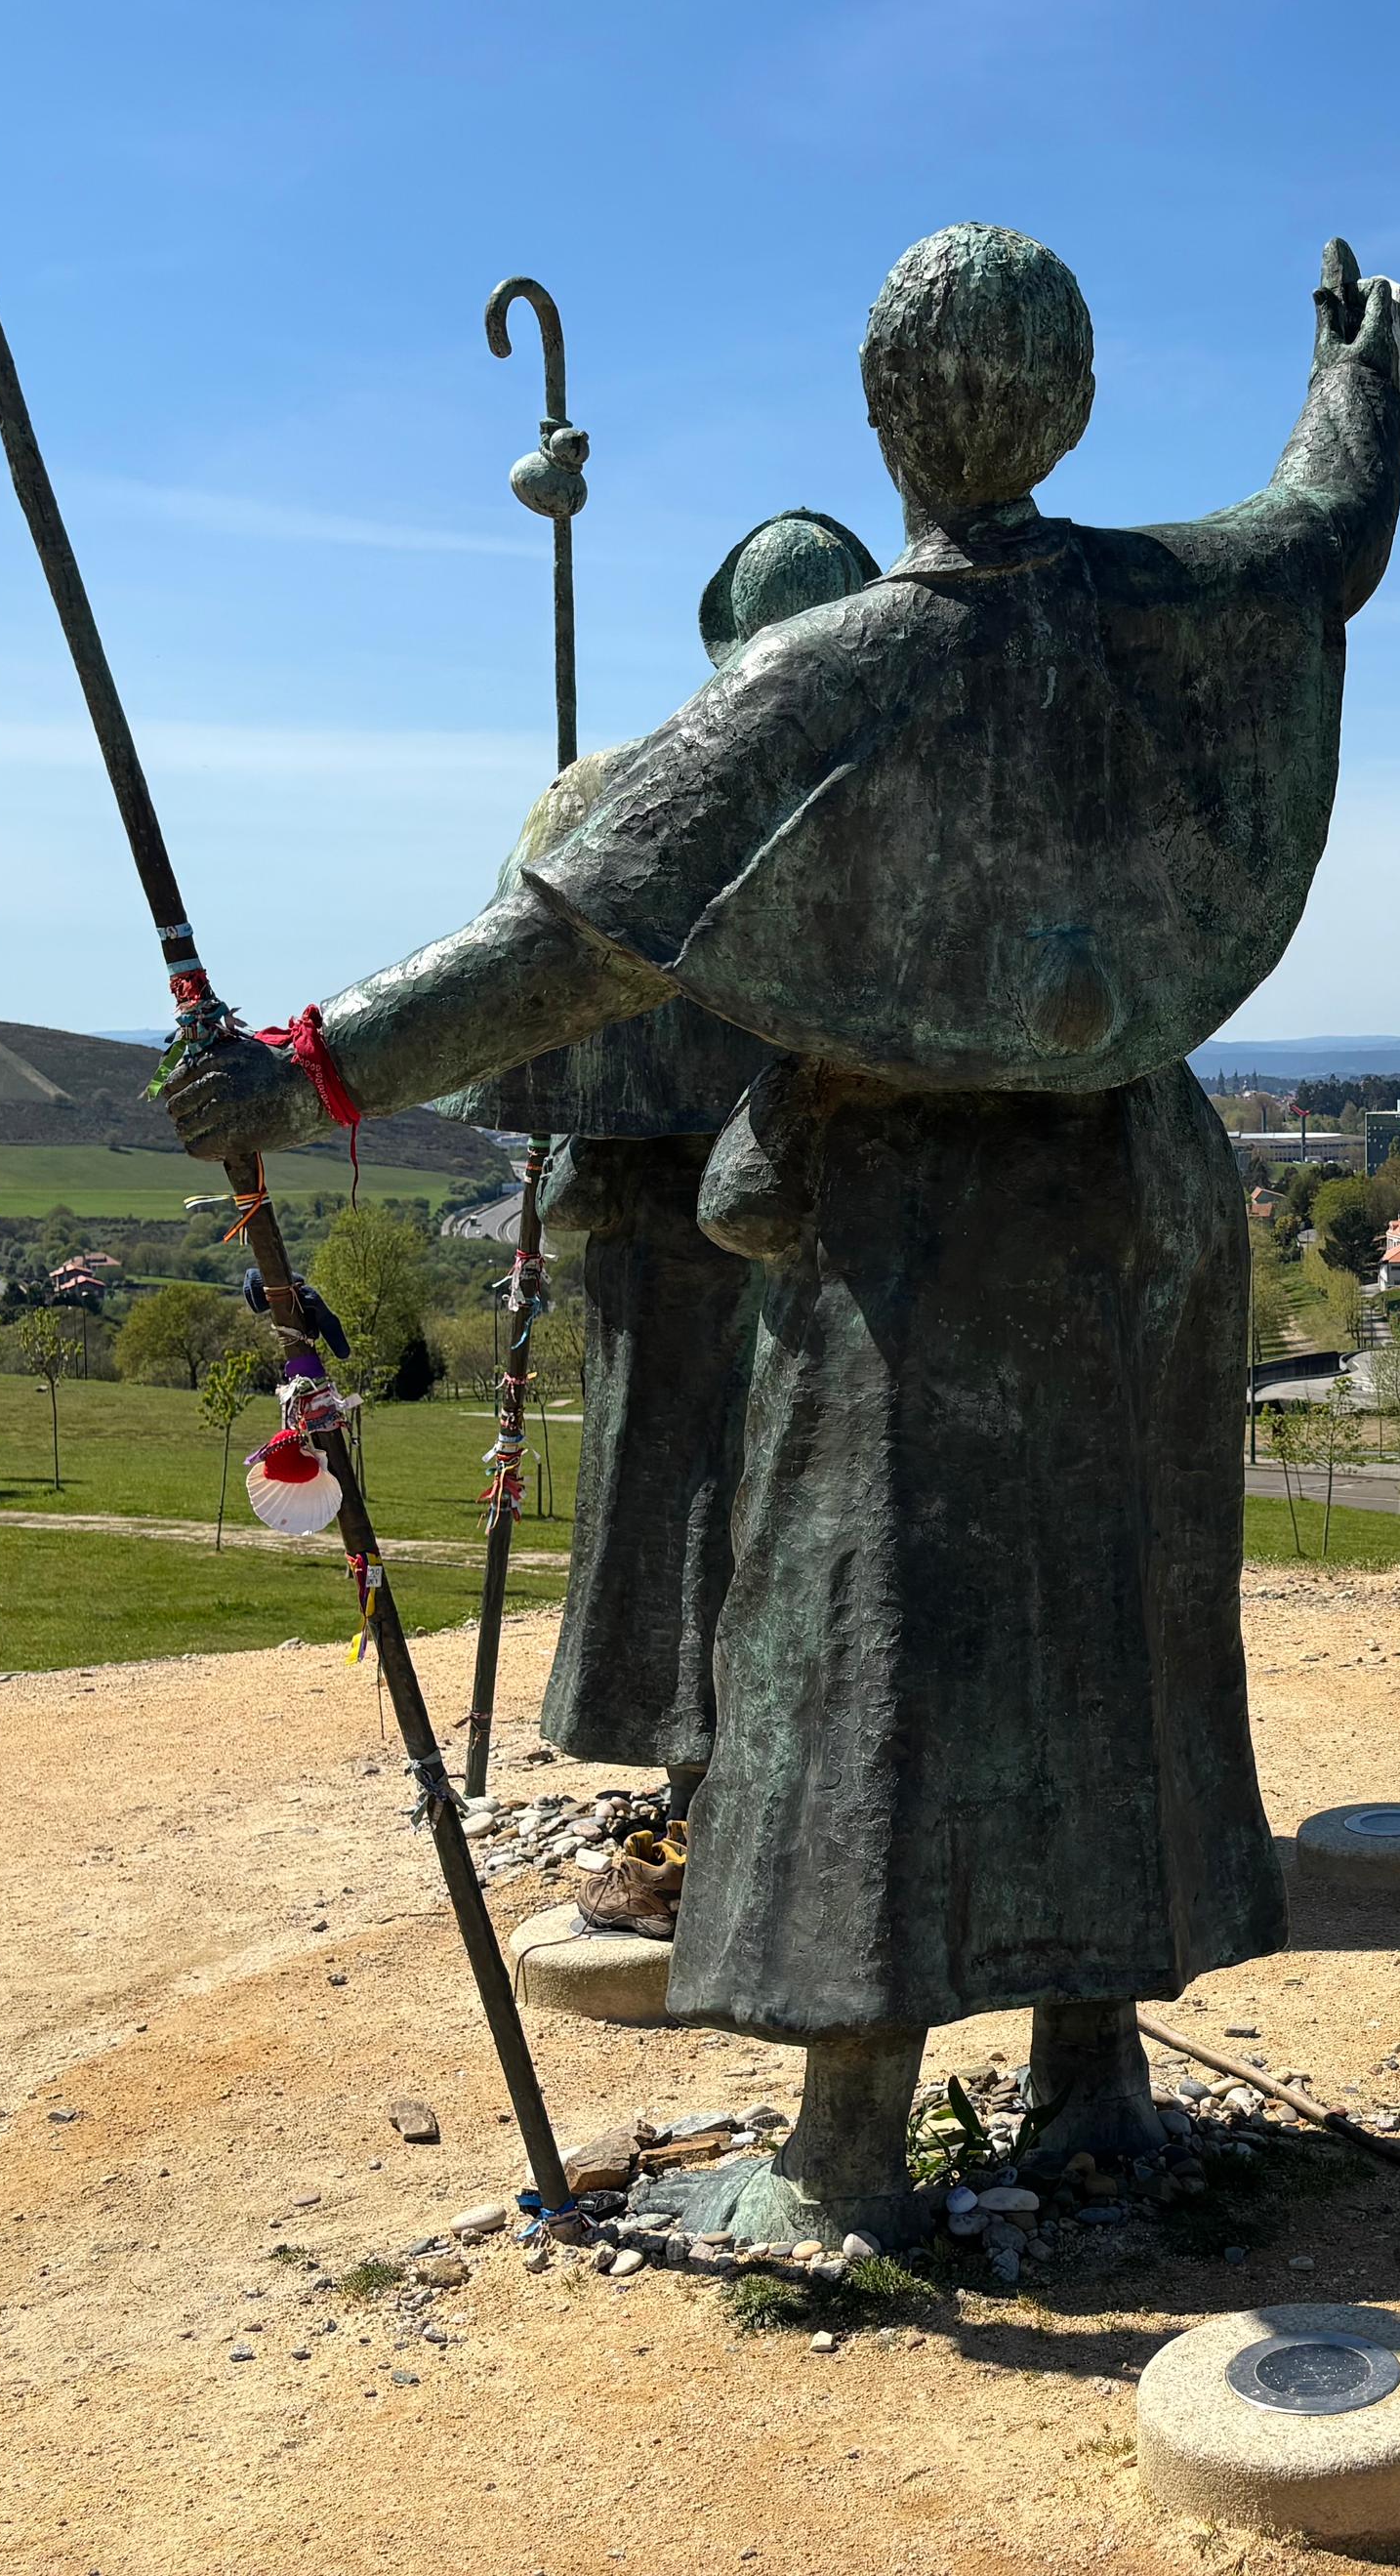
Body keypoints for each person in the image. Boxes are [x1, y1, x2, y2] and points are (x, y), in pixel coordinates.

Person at [167, 225, 1400, 2232]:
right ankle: (1092, 2084)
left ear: (878, 421)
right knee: (1110, 1628)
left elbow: (549, 951)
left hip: (911, 1236)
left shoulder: (832, 669)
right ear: (1079, 405)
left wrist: (304, 1072)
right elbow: (1322, 528)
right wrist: (1361, 379)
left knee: (874, 1653)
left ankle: (851, 2155)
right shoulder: (1153, 597)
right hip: (1136, 1203)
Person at [449, 510, 881, 1878]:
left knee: (702, 1504)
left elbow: (521, 1066)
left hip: (686, 1222)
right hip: (821, 1214)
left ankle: (724, 1780)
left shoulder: (610, 795)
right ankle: (744, 1786)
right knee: (772, 1506)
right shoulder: (894, 807)